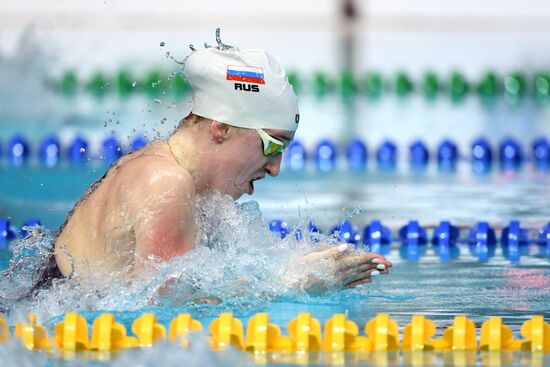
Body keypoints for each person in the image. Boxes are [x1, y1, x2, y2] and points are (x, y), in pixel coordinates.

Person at [45, 31, 392, 295]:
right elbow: (161, 307)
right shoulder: (165, 183)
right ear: (221, 128)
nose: (275, 168)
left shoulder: (169, 171)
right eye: (273, 145)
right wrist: (295, 283)